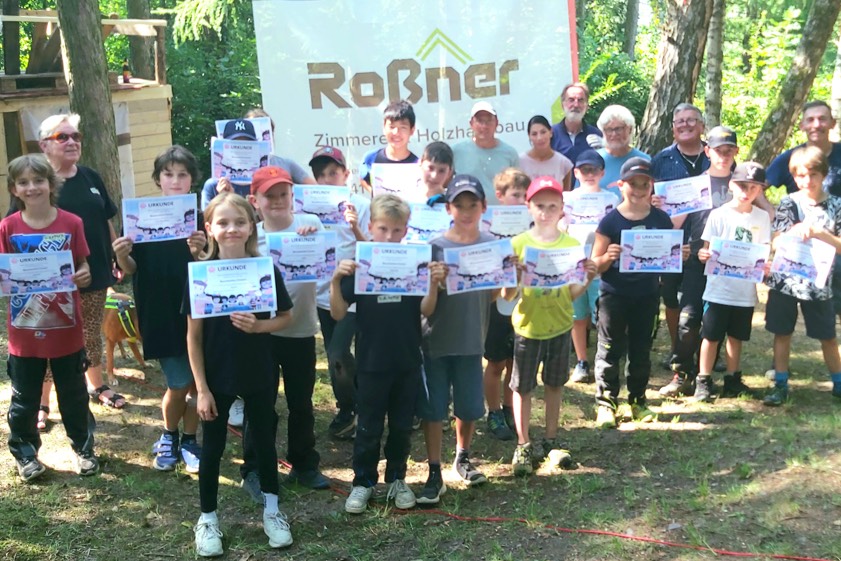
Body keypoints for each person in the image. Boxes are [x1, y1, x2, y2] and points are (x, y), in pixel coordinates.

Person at [186, 192, 294, 557]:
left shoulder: (265, 270)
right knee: (213, 448)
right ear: (210, 228)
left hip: (258, 370)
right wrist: (201, 389)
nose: (231, 229)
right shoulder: (199, 275)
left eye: (239, 222)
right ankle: (207, 519)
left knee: (264, 442)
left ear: (251, 227)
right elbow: (193, 336)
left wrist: (259, 327)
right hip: (217, 375)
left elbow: (286, 317)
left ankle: (273, 511)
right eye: (223, 222)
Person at [330, 194, 447, 513]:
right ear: (370, 227)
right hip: (371, 363)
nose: (389, 236)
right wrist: (336, 279)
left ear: (406, 230)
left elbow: (427, 309)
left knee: (401, 426)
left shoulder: (414, 264)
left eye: (396, 230)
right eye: (382, 229)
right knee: (368, 425)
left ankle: (397, 478)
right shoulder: (361, 267)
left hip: (407, 360)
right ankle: (363, 482)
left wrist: (432, 284)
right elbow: (338, 313)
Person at [1, 154, 98, 482]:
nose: (32, 188)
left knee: (74, 394)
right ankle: (25, 454)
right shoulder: (7, 227)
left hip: (66, 327)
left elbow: (83, 264)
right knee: (24, 398)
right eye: (23, 182)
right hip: (25, 331)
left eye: (38, 180)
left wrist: (83, 274)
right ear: (14, 189)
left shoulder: (71, 223)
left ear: (51, 184)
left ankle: (84, 449)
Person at [112, 146, 207, 472]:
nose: (175, 180)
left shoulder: (200, 219)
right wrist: (121, 255)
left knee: (196, 383)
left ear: (192, 180)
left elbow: (209, 266)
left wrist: (199, 251)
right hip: (158, 310)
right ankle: (169, 434)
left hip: (197, 310)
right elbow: (132, 269)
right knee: (178, 382)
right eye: (168, 174)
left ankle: (190, 439)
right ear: (157, 179)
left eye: (182, 175)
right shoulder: (138, 216)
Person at [241, 166, 330, 497]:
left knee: (301, 402)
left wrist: (313, 238)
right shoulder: (250, 236)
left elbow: (327, 264)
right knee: (260, 403)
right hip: (261, 334)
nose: (278, 200)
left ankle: (304, 463)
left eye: (284, 194)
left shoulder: (311, 225)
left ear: (293, 196)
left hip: (300, 330)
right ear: (255, 200)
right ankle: (254, 468)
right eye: (270, 196)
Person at [503, 175, 596, 475]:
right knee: (522, 387)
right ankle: (523, 444)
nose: (545, 212)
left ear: (562, 209)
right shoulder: (518, 243)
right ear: (529, 207)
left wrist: (588, 277)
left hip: (560, 325)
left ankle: (551, 439)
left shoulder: (570, 245)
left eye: (552, 206)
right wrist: (514, 276)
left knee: (555, 384)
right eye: (540, 205)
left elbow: (571, 293)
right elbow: (507, 295)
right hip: (528, 327)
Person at [417, 174, 498, 503]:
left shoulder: (491, 245)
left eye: (472, 205)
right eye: (459, 205)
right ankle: (434, 469)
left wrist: (509, 276)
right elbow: (424, 305)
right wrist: (434, 283)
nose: (466, 211)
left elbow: (492, 295)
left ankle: (462, 457)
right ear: (448, 208)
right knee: (433, 408)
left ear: (483, 207)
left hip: (471, 338)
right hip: (436, 340)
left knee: (468, 405)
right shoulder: (435, 247)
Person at [36, 114, 124, 413]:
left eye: (76, 136)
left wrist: (116, 255)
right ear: (44, 145)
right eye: (62, 137)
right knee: (50, 336)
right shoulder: (38, 182)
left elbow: (105, 218)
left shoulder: (90, 177)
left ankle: (96, 385)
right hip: (52, 278)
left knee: (90, 331)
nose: (72, 142)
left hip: (95, 271)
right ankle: (43, 401)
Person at [591, 158, 686, 428]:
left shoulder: (661, 219)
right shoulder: (610, 221)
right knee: (609, 349)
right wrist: (607, 257)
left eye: (645, 184)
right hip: (614, 295)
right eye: (633, 184)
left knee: (641, 349)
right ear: (621, 185)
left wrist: (678, 255)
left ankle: (638, 401)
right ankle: (606, 403)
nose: (639, 189)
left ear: (652, 186)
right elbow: (594, 263)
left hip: (647, 295)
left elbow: (668, 260)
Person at [658, 126, 739, 398]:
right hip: (696, 260)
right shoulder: (695, 184)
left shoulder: (741, 184)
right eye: (718, 151)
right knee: (688, 318)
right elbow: (674, 223)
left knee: (720, 321)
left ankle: (710, 374)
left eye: (729, 151)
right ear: (707, 151)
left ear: (736, 152)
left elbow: (763, 214)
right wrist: (670, 242)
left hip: (730, 264)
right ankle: (682, 374)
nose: (724, 156)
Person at [763, 146, 841, 406]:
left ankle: (838, 382)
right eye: (801, 175)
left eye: (813, 174)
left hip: (819, 284)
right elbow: (775, 242)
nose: (808, 181)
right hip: (785, 282)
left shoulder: (836, 205)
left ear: (823, 175)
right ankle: (780, 384)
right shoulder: (789, 203)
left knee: (827, 335)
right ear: (794, 177)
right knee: (782, 333)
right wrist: (793, 232)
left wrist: (820, 233)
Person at [695, 162, 772, 401]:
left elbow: (763, 250)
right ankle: (703, 380)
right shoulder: (718, 214)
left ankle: (732, 379)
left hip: (744, 291)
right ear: (731, 185)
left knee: (736, 336)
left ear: (760, 190)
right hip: (718, 289)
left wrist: (764, 265)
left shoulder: (762, 217)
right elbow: (706, 249)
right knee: (711, 336)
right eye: (742, 186)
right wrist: (703, 255)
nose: (746, 192)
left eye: (753, 187)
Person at [310, 146, 370, 440]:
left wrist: (355, 226)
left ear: (346, 174)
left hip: (352, 290)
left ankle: (356, 406)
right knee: (336, 357)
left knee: (337, 352)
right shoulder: (307, 208)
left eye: (333, 173)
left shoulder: (362, 205)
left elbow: (373, 249)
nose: (327, 179)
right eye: (321, 175)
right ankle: (348, 407)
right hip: (323, 292)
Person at [651, 103, 711, 364]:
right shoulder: (660, 160)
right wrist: (652, 201)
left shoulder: (715, 156)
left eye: (691, 120)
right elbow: (647, 195)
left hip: (708, 241)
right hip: (672, 239)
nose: (685, 125)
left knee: (707, 297)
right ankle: (677, 349)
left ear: (702, 125)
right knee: (671, 298)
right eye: (680, 121)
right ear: (673, 128)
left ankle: (707, 349)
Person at [564, 150, 620, 384]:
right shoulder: (567, 198)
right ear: (576, 173)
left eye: (594, 170)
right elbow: (560, 229)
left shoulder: (612, 199)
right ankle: (581, 361)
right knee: (578, 317)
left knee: (603, 317)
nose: (589, 174)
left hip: (601, 267)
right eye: (584, 170)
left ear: (602, 173)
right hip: (574, 266)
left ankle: (603, 360)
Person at [484, 168, 529, 441]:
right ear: (500, 196)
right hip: (497, 301)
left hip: (524, 300)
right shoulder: (488, 226)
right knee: (495, 362)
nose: (521, 200)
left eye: (525, 195)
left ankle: (511, 408)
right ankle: (493, 412)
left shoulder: (533, 224)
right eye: (516, 195)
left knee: (516, 361)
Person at [200, 112, 315, 210]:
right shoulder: (213, 186)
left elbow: (313, 191)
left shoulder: (273, 179)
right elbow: (208, 224)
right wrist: (223, 198)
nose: (242, 148)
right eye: (236, 144)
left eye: (247, 144)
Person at [766, 101, 841, 196]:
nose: (816, 125)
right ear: (802, 126)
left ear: (833, 123)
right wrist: (768, 206)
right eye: (810, 120)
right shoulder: (789, 158)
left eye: (822, 119)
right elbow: (756, 188)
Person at [452, 101, 519, 205]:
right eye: (479, 121)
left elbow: (517, 189)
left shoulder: (510, 153)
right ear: (471, 124)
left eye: (489, 121)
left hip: (501, 213)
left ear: (496, 123)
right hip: (467, 212)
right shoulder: (456, 152)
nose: (484, 126)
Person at [359, 99, 419, 192]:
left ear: (412, 130)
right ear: (384, 127)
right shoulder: (371, 158)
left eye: (403, 127)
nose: (396, 133)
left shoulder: (418, 165)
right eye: (392, 127)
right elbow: (363, 179)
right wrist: (377, 195)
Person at [595, 104, 650, 198]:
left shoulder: (643, 161)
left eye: (618, 129)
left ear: (630, 129)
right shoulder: (593, 160)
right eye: (609, 129)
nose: (614, 134)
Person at [550, 83, 603, 164]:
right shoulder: (550, 135)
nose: (576, 105)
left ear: (587, 106)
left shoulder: (596, 135)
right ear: (562, 105)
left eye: (580, 100)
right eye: (571, 100)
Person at [519, 115, 573, 189]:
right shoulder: (520, 162)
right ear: (529, 136)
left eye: (543, 132)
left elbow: (566, 194)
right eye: (534, 134)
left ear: (550, 132)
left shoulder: (564, 163)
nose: (539, 138)